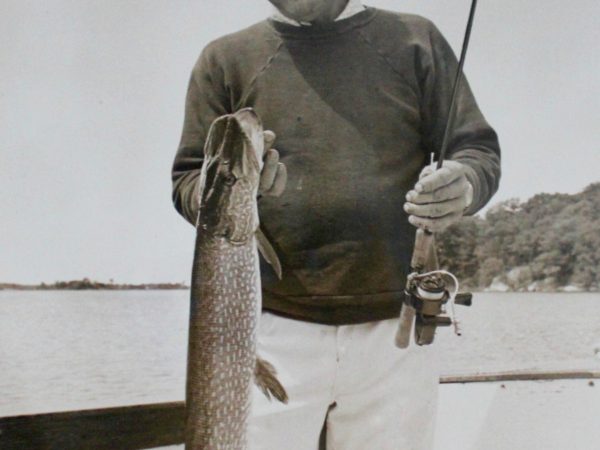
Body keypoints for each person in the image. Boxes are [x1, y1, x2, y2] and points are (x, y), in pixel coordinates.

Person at [171, 0, 501, 448]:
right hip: (266, 329)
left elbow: (476, 149)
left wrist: (464, 185)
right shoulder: (224, 59)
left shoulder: (415, 40)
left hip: (395, 333)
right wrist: (233, 187)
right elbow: (188, 179)